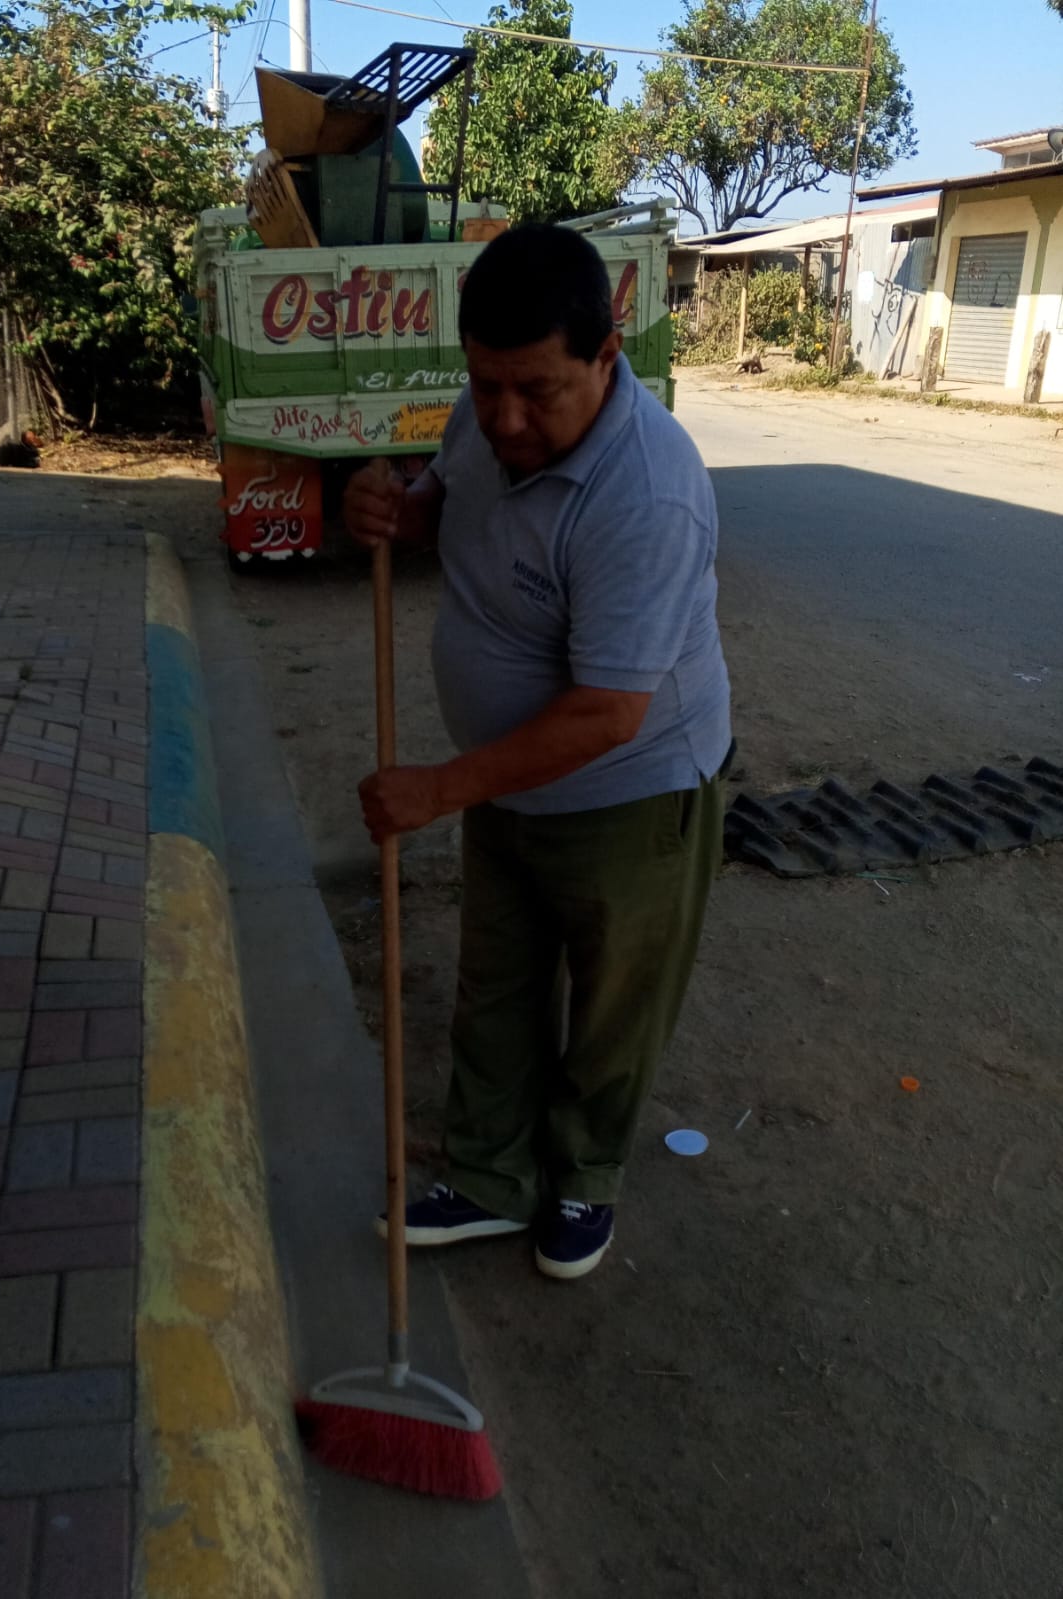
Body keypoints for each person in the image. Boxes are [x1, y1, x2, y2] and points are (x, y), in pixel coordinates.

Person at [343, 223, 731, 1281]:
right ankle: (487, 1176)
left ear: (606, 356)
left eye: (537, 391)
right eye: (486, 386)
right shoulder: (486, 416)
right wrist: (391, 511)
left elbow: (606, 713)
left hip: (631, 794)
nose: (506, 419)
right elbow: (442, 511)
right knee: (496, 983)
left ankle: (582, 1178)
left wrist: (438, 789)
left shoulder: (646, 494)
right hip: (506, 780)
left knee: (611, 1006)